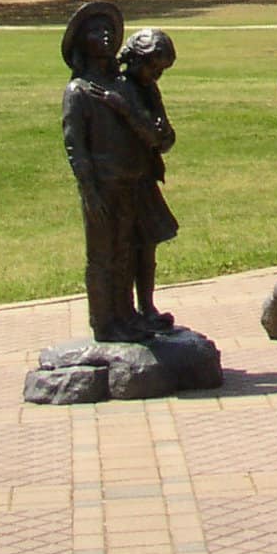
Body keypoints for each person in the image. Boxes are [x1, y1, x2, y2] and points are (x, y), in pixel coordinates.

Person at [61, 0, 156, 342]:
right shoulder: (79, 91)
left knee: (126, 251)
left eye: (108, 32)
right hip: (101, 186)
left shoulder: (124, 87)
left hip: (130, 183)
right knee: (101, 256)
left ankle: (126, 313)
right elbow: (76, 147)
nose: (103, 37)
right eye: (94, 32)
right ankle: (103, 321)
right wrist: (89, 190)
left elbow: (147, 132)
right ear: (80, 43)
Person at [117, 28, 179, 333]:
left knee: (148, 245)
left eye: (161, 71)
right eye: (152, 67)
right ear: (134, 59)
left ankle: (147, 305)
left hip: (145, 178)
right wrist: (149, 131)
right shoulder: (120, 89)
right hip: (124, 179)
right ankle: (126, 309)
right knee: (127, 247)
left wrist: (163, 134)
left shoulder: (150, 91)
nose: (155, 75)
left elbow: (165, 137)